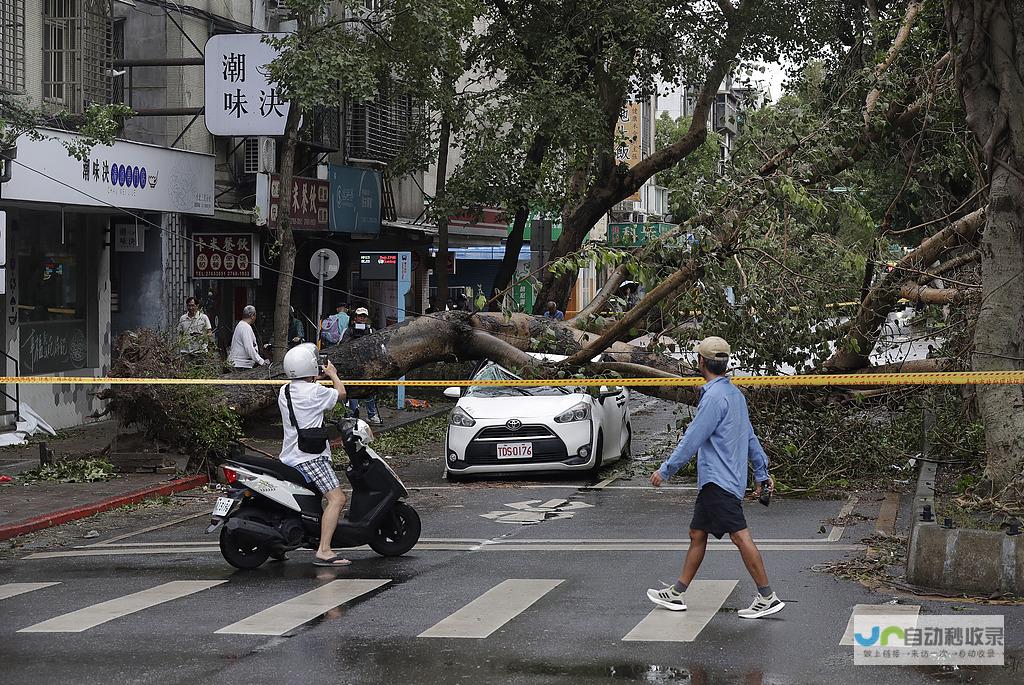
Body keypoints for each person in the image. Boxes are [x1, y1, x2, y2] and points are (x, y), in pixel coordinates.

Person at [646, 336, 783, 619]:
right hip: (726, 480)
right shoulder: (735, 395)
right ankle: (677, 592)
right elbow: (749, 438)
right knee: (697, 534)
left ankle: (767, 595)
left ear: (700, 363)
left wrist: (666, 470)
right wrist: (760, 471)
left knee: (740, 537)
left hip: (718, 481)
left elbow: (693, 438)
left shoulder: (713, 398)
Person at [279, 343, 350, 566]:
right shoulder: (315, 391)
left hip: (289, 456)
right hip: (311, 458)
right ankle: (324, 550)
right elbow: (341, 394)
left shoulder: (285, 391)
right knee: (337, 499)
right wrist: (333, 374)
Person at [341, 307, 383, 425]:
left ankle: (372, 414)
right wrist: (353, 336)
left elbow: (377, 345)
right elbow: (342, 346)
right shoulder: (348, 331)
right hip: (353, 366)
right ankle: (353, 414)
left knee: (369, 390)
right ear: (355, 318)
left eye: (364, 316)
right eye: (360, 316)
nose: (362, 319)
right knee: (354, 391)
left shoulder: (371, 331)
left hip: (368, 366)